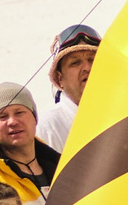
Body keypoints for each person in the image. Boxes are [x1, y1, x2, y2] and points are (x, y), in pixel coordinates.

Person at [34, 23, 100, 152]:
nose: (87, 68)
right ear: (60, 79)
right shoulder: (49, 127)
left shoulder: (126, 111)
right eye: (75, 63)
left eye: (92, 59)